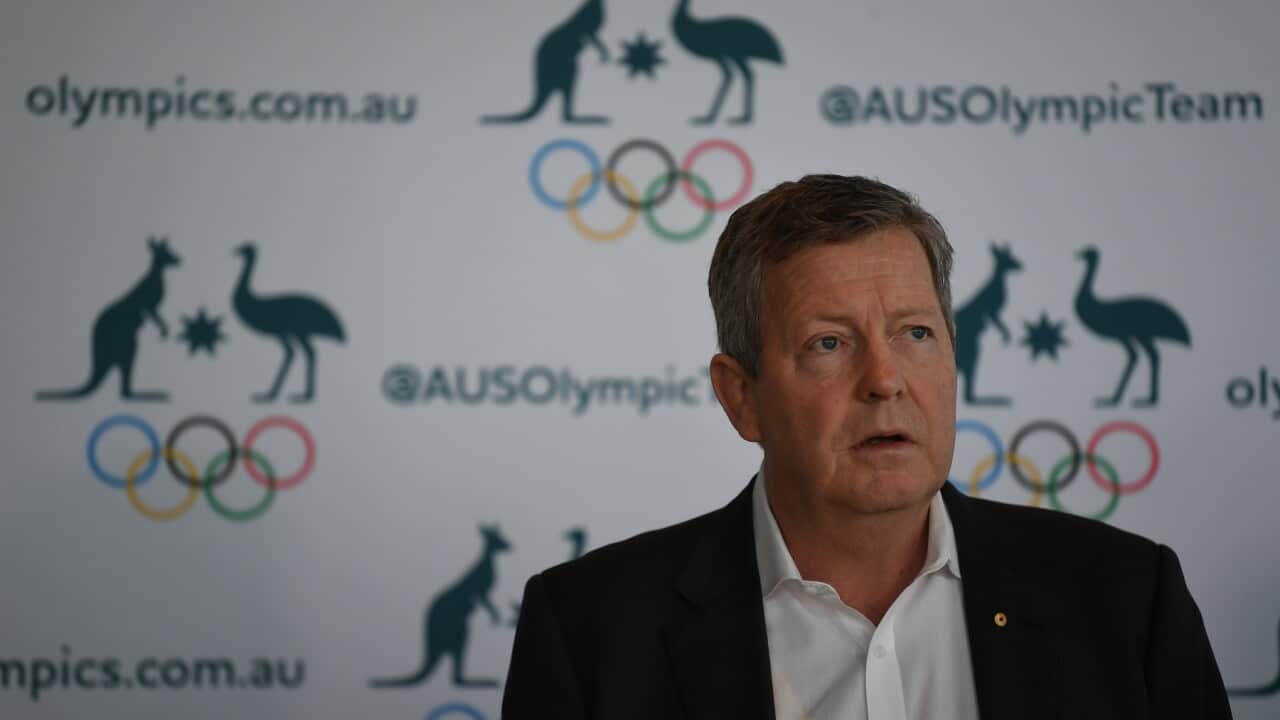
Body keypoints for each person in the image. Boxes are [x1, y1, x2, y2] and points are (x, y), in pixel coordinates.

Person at [502, 175, 1231, 719]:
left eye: (916, 333)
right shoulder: (592, 632)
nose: (885, 381)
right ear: (742, 396)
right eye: (828, 344)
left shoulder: (1127, 599)